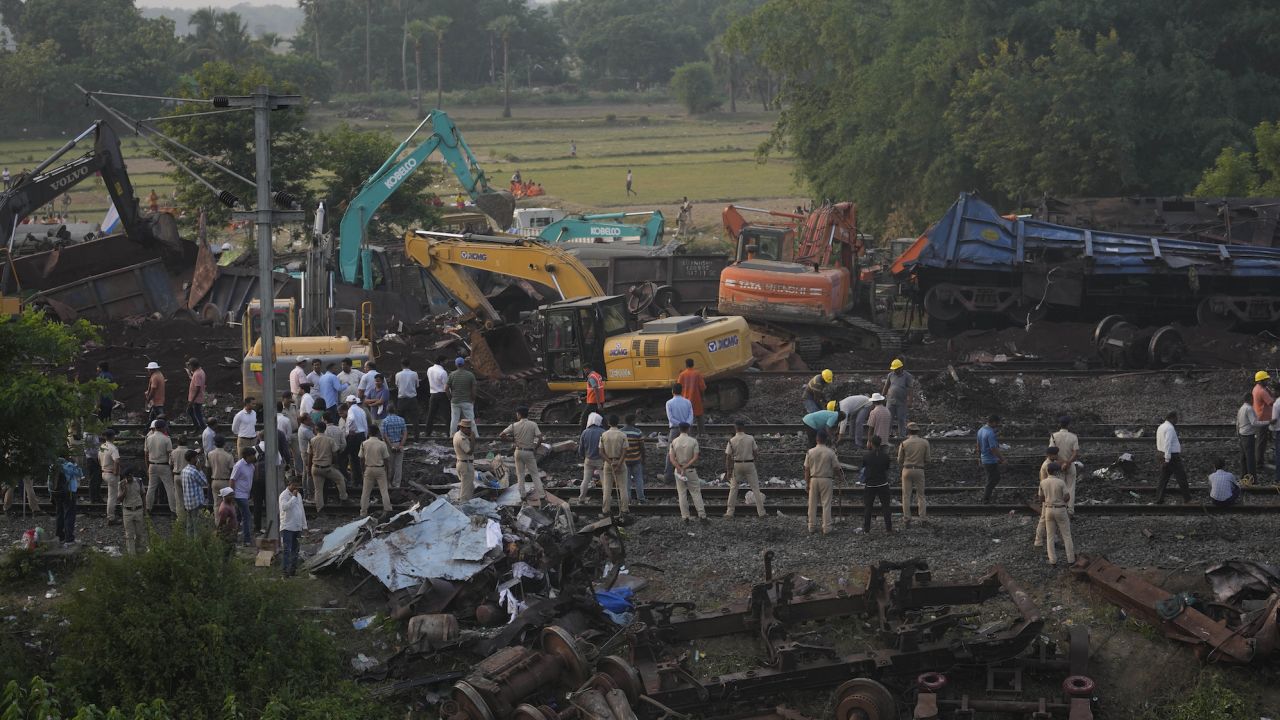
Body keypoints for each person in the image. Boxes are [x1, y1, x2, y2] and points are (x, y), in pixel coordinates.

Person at [499, 406, 545, 497]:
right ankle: (541, 495)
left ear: (519, 415)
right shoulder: (533, 424)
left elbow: (502, 435)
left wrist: (512, 440)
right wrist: (536, 448)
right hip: (529, 452)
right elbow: (540, 438)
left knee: (520, 474)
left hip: (518, 451)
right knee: (535, 474)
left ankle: (522, 495)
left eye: (517, 414)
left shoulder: (514, 425)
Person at [804, 430, 843, 535]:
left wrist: (807, 483)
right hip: (826, 479)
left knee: (812, 503)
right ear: (826, 440)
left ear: (817, 439)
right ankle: (827, 527)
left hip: (813, 479)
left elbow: (806, 469)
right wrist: (840, 477)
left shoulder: (810, 452)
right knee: (826, 504)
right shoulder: (830, 452)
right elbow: (836, 468)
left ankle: (811, 526)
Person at [1037, 462, 1075, 565]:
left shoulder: (1043, 483)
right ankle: (1071, 560)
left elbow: (1041, 498)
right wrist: (1061, 501)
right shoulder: (1060, 482)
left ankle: (1052, 561)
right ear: (1057, 472)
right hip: (1060, 509)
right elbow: (1067, 497)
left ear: (1048, 471)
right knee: (1066, 535)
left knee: (1050, 536)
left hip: (1048, 509)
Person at [668, 422, 707, 522]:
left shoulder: (674, 442)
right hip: (691, 470)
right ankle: (702, 515)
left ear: (679, 429)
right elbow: (695, 457)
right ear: (688, 429)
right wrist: (686, 466)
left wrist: (680, 468)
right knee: (696, 492)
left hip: (678, 471)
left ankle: (685, 516)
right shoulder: (693, 441)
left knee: (682, 493)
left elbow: (672, 459)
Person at [724, 420, 764, 518]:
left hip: (737, 465)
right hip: (749, 463)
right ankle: (761, 512)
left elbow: (728, 457)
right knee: (755, 488)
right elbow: (756, 452)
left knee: (733, 488)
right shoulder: (750, 438)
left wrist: (729, 470)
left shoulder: (732, 440)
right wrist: (753, 460)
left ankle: (729, 512)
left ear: (735, 428)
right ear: (744, 427)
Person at [144, 419, 181, 522]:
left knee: (151, 488)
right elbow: (170, 454)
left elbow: (146, 454)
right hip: (163, 465)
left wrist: (147, 467)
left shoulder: (148, 438)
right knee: (169, 488)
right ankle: (173, 511)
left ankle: (148, 509)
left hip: (152, 464)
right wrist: (172, 466)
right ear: (162, 427)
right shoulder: (166, 439)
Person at [897, 421, 930, 525]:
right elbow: (928, 459)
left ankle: (907, 518)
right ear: (917, 431)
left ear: (908, 431)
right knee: (921, 495)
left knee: (906, 495)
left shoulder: (904, 443)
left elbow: (899, 460)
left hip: (907, 469)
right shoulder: (925, 442)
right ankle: (923, 518)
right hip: (919, 470)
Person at [309, 421, 348, 510]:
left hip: (315, 467)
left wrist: (308, 469)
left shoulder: (312, 440)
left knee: (318, 490)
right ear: (325, 429)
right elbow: (335, 454)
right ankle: (343, 498)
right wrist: (336, 464)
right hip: (327, 468)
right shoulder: (330, 440)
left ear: (316, 429)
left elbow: (310, 455)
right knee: (340, 479)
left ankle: (320, 509)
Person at [1156, 411, 1190, 504]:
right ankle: (1188, 499)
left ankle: (1159, 499)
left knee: (1163, 478)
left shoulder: (1161, 427)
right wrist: (1167, 459)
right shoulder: (1170, 428)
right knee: (1181, 477)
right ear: (1172, 418)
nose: (1177, 420)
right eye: (1176, 418)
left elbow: (1159, 442)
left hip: (1161, 454)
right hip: (1171, 457)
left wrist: (1162, 457)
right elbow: (1168, 444)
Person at [599, 415, 630, 515]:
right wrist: (619, 464)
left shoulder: (604, 435)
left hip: (608, 464)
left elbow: (601, 452)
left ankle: (605, 510)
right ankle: (624, 510)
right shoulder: (622, 435)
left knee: (607, 488)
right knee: (623, 488)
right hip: (620, 462)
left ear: (608, 423)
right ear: (618, 422)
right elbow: (625, 451)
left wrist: (610, 462)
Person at [860, 435, 892, 534]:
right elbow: (887, 468)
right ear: (880, 443)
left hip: (870, 484)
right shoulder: (885, 456)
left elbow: (864, 466)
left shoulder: (866, 456)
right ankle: (889, 529)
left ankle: (867, 529)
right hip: (883, 483)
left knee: (868, 507)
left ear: (871, 444)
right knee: (886, 507)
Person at [1049, 416, 1081, 515]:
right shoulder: (1073, 436)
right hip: (1070, 465)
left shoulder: (1054, 436)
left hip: (1058, 466)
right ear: (1068, 425)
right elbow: (1075, 453)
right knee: (1070, 488)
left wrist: (1061, 463)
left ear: (1059, 424)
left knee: (1059, 487)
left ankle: (1061, 509)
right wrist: (1068, 463)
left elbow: (1052, 452)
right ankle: (1070, 510)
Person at [664, 383, 694, 481]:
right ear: (682, 391)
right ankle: (687, 474)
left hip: (675, 429)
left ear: (672, 391)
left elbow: (671, 418)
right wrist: (686, 424)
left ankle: (668, 476)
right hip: (686, 429)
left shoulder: (669, 403)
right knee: (688, 451)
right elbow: (691, 416)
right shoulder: (688, 402)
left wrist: (680, 424)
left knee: (671, 452)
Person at [279, 479, 307, 576]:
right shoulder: (284, 495)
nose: (296, 488)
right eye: (294, 485)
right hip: (287, 527)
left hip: (297, 526)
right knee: (287, 549)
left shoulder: (298, 495)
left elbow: (301, 510)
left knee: (296, 549)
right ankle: (285, 571)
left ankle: (293, 570)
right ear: (289, 484)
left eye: (297, 486)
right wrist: (293, 497)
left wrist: (305, 525)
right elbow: (284, 507)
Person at [1237, 393, 1267, 478]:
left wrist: (1238, 436)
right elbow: (1254, 423)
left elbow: (1237, 423)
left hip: (1242, 435)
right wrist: (1268, 422)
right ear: (1250, 399)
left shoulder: (1241, 408)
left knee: (1243, 458)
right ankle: (1252, 480)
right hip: (1248, 436)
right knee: (1250, 459)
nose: (1253, 400)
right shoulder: (1249, 409)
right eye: (1252, 399)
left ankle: (1243, 477)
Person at [881, 359, 914, 438]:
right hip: (890, 401)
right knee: (888, 418)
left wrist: (910, 401)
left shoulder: (907, 376)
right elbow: (886, 386)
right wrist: (882, 397)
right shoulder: (890, 375)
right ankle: (887, 435)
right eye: (894, 369)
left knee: (901, 419)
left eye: (896, 369)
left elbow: (910, 389)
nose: (895, 371)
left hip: (901, 402)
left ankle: (902, 436)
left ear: (901, 368)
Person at [577, 413, 606, 502]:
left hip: (588, 459)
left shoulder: (585, 432)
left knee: (585, 480)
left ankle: (581, 498)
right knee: (604, 481)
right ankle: (606, 499)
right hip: (600, 460)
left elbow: (581, 448)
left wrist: (583, 456)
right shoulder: (603, 432)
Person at [231, 447, 257, 546]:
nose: (254, 457)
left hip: (246, 494)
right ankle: (247, 539)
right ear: (247, 456)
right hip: (239, 494)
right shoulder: (239, 466)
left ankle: (233, 537)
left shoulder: (251, 466)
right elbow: (232, 479)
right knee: (247, 516)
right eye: (252, 455)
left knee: (238, 517)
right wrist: (232, 494)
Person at [977, 414, 1005, 504]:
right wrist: (1002, 459)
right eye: (997, 423)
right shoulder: (990, 433)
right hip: (990, 460)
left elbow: (978, 445)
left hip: (984, 458)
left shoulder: (981, 430)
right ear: (993, 422)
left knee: (992, 478)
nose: (997, 425)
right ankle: (986, 498)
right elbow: (994, 448)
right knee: (994, 478)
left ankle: (988, 495)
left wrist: (979, 458)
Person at [51, 458, 80, 544]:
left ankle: (60, 536)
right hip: (69, 492)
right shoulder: (69, 465)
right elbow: (80, 473)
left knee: (59, 513)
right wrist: (76, 464)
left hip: (56, 492)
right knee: (69, 514)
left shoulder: (53, 465)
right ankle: (69, 538)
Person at [448, 356, 478, 437]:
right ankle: (475, 436)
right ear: (464, 364)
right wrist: (473, 398)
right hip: (467, 401)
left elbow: (446, 388)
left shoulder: (452, 375)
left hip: (455, 401)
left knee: (454, 420)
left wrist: (450, 397)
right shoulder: (470, 375)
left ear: (456, 364)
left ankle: (452, 436)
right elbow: (474, 388)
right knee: (471, 419)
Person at [180, 449, 208, 536]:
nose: (197, 459)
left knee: (189, 525)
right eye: (196, 457)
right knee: (197, 527)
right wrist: (200, 470)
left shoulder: (184, 470)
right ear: (192, 459)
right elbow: (204, 482)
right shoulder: (194, 471)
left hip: (188, 502)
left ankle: (189, 545)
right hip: (196, 502)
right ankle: (197, 546)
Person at [119, 469, 147, 555]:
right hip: (127, 511)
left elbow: (143, 494)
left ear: (132, 475)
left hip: (138, 509)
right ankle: (132, 555)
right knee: (129, 534)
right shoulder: (121, 484)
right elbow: (119, 499)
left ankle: (140, 551)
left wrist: (145, 509)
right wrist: (124, 491)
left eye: (130, 476)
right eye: (127, 477)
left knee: (140, 533)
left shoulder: (139, 481)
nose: (129, 478)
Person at [622, 414, 647, 504]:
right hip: (636, 460)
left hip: (624, 460)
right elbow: (642, 447)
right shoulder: (638, 432)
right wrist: (643, 459)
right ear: (632, 421)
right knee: (638, 479)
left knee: (626, 481)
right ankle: (641, 499)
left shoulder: (621, 432)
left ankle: (628, 500)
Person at [678, 359, 707, 436]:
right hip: (697, 399)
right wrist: (703, 397)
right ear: (693, 364)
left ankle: (689, 435)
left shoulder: (682, 374)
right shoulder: (697, 374)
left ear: (686, 365)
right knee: (699, 416)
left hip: (685, 400)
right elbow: (702, 387)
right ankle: (702, 434)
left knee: (688, 418)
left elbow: (678, 388)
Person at [99, 429, 122, 525]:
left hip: (104, 472)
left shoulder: (102, 446)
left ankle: (112, 514)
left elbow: (99, 459)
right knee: (112, 497)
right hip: (111, 474)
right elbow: (116, 460)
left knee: (111, 495)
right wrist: (116, 472)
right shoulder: (113, 448)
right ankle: (111, 517)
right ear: (113, 436)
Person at [395, 358, 421, 439]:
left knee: (400, 420)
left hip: (401, 399)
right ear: (409, 365)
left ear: (401, 365)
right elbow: (417, 385)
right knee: (415, 419)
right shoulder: (414, 374)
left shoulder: (398, 374)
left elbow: (397, 385)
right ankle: (416, 438)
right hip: (412, 399)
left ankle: (399, 437)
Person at [345, 395, 369, 482]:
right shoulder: (361, 410)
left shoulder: (351, 409)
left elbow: (351, 419)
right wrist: (365, 436)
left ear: (349, 402)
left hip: (354, 436)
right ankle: (362, 479)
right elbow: (365, 425)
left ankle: (356, 480)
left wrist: (348, 431)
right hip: (362, 435)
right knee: (361, 458)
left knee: (353, 458)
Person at [1254, 371, 1274, 472]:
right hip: (1262, 420)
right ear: (1261, 380)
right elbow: (1271, 402)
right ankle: (1259, 464)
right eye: (1266, 379)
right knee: (1261, 443)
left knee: (1261, 442)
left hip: (1260, 418)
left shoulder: (1257, 388)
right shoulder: (1262, 391)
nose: (1268, 380)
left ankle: (1260, 462)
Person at [381, 407, 406, 488]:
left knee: (389, 464)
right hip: (399, 442)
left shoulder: (385, 421)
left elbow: (384, 435)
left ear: (387, 411)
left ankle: (389, 483)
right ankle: (397, 483)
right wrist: (401, 445)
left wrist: (391, 445)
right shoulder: (401, 419)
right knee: (398, 465)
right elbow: (405, 433)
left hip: (389, 445)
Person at [425, 356, 449, 437]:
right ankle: (449, 432)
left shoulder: (429, 369)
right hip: (442, 394)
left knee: (431, 414)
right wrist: (449, 396)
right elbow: (446, 386)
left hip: (433, 394)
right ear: (441, 362)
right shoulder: (443, 372)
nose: (446, 363)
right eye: (445, 361)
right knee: (446, 414)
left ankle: (427, 432)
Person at [453, 418, 476, 501]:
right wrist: (473, 440)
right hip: (466, 465)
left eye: (470, 428)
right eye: (468, 428)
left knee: (467, 487)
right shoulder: (462, 439)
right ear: (462, 427)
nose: (470, 430)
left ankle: (464, 503)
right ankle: (464, 506)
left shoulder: (457, 434)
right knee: (466, 492)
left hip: (461, 463)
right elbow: (469, 452)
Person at [208, 435, 234, 502]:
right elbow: (232, 471)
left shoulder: (209, 454)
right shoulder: (228, 456)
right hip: (225, 481)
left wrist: (210, 482)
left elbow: (208, 469)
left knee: (216, 504)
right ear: (224, 443)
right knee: (226, 503)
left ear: (214, 443)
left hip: (214, 481)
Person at [214, 487, 238, 557]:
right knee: (227, 552)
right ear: (225, 496)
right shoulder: (224, 508)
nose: (233, 497)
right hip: (228, 534)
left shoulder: (230, 503)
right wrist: (218, 532)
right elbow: (222, 522)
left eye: (233, 495)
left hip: (232, 532)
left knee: (232, 551)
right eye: (231, 495)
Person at [185, 358, 206, 429]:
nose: (189, 367)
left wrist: (192, 401)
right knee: (191, 411)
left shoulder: (197, 374)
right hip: (196, 398)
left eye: (190, 366)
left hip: (196, 399)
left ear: (193, 366)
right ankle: (198, 426)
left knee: (197, 414)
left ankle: (201, 427)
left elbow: (198, 388)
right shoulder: (200, 371)